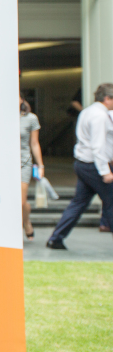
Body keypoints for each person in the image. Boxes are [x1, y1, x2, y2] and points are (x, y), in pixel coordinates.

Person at [47, 83, 113, 249]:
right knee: (111, 202)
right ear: (107, 99)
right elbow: (98, 146)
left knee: (78, 203)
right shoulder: (100, 116)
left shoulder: (87, 112)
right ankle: (56, 238)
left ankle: (56, 238)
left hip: (82, 163)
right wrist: (105, 171)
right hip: (94, 166)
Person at [19, 94, 43, 240]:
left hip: (23, 162)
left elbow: (34, 143)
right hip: (3, 165)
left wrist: (40, 165)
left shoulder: (30, 118)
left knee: (21, 201)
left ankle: (26, 222)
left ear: (22, 99)